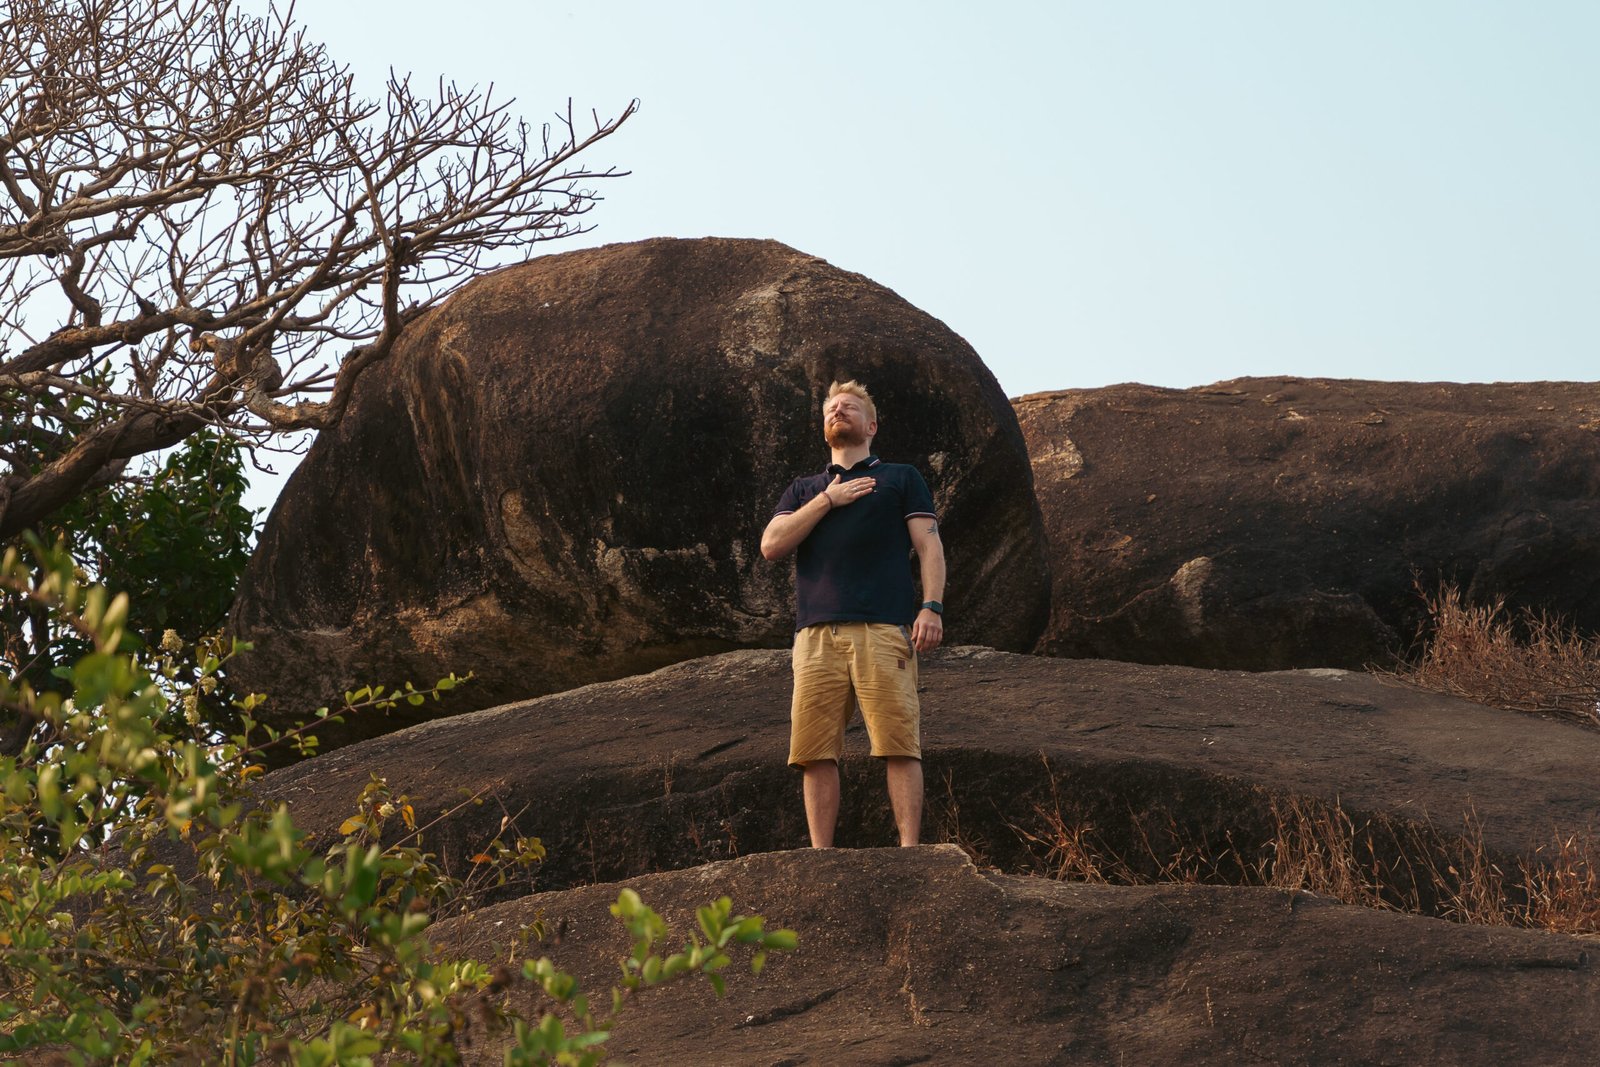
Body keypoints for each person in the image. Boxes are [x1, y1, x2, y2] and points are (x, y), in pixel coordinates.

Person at [759, 380, 946, 848]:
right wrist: (828, 500)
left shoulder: (901, 478)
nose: (838, 410)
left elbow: (929, 545)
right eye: (831, 407)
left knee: (898, 742)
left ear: (872, 425)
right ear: (824, 428)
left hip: (882, 629)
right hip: (816, 636)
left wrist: (931, 606)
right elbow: (771, 545)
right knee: (813, 750)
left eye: (850, 406)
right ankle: (822, 855)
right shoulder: (805, 489)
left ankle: (910, 852)